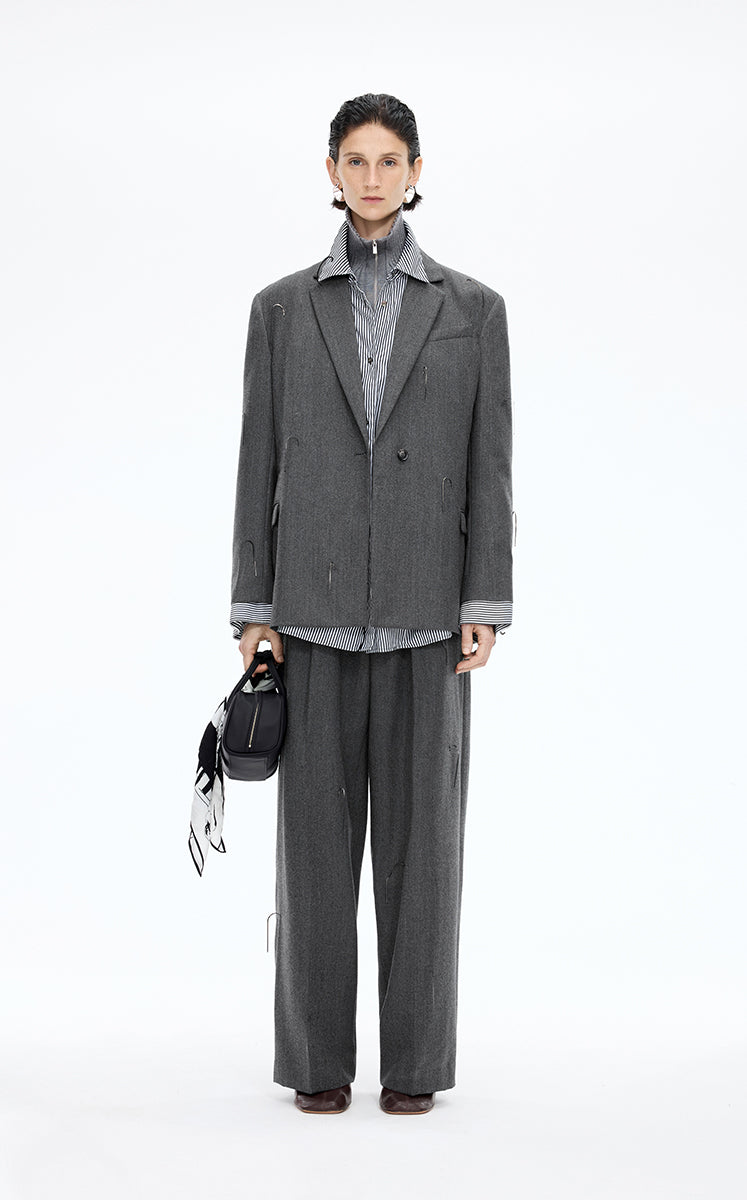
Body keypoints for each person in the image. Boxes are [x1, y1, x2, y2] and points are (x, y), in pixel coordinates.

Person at [230, 93, 515, 1116]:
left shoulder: (474, 310)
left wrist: (485, 597)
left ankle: (414, 1069)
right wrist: (253, 607)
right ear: (331, 171)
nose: (372, 177)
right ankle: (316, 1066)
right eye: (355, 159)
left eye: (389, 159)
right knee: (312, 859)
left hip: (428, 619)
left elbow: (489, 465)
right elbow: (257, 461)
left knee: (422, 859)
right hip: (307, 619)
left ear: (415, 169)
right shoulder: (278, 308)